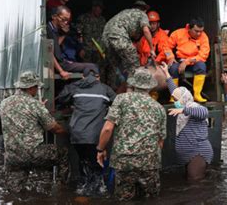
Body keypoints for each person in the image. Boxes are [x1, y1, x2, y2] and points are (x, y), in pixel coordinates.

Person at [96, 67, 166, 201]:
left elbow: (107, 129)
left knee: (125, 199)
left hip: (124, 162)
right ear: (150, 86)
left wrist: (100, 149)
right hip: (150, 163)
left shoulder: (121, 99)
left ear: (133, 84)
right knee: (150, 200)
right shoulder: (159, 108)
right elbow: (160, 142)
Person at [0, 71, 68, 192]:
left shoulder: (4, 103)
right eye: (36, 87)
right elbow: (55, 129)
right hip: (33, 154)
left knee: (14, 192)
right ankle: (61, 189)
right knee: (63, 154)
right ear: (31, 88)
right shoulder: (35, 105)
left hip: (12, 156)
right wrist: (69, 132)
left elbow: (21, 115)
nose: (37, 90)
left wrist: (37, 107)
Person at [56, 67, 116, 196]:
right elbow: (116, 103)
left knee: (83, 159)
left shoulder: (75, 87)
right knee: (96, 161)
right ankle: (98, 189)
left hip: (77, 134)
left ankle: (83, 187)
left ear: (82, 77)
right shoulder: (105, 89)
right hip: (96, 135)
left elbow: (61, 99)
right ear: (98, 77)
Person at [160, 62, 213, 181]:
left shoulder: (192, 106)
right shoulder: (182, 105)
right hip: (188, 154)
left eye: (176, 100)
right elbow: (175, 91)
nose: (175, 101)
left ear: (184, 99)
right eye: (174, 100)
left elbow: (204, 112)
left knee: (195, 182)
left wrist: (184, 110)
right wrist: (167, 74)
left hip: (198, 152)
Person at [102, 0, 155, 81]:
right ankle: (134, 90)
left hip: (105, 37)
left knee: (112, 65)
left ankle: (111, 90)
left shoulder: (125, 12)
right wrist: (151, 48)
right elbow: (146, 30)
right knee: (134, 63)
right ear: (144, 9)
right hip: (118, 35)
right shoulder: (142, 14)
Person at [47, 5, 98, 80]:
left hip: (62, 62)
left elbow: (55, 46)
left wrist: (65, 34)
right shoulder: (47, 30)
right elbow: (49, 54)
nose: (65, 22)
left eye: (67, 20)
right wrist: (61, 71)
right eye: (63, 19)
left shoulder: (56, 29)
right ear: (54, 16)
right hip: (58, 65)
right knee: (92, 67)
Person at [166, 17, 210, 102]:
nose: (199, 34)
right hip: (179, 60)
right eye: (196, 31)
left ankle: (197, 95)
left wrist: (187, 62)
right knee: (173, 68)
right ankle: (174, 96)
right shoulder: (178, 33)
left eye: (201, 31)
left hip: (194, 61)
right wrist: (170, 57)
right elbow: (166, 47)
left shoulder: (204, 36)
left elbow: (204, 54)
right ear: (189, 28)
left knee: (201, 66)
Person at [75, 0, 107, 64]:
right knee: (87, 70)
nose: (100, 10)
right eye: (99, 8)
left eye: (101, 9)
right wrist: (80, 48)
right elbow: (78, 35)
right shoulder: (83, 18)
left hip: (98, 52)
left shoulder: (102, 20)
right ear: (93, 8)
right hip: (86, 51)